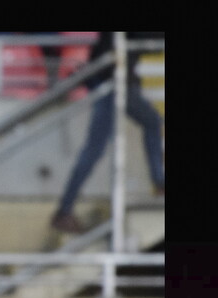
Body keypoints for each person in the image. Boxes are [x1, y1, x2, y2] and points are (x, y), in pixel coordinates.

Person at [51, 31, 165, 234]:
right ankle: (64, 211)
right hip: (113, 87)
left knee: (150, 122)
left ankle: (159, 181)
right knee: (94, 151)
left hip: (117, 85)